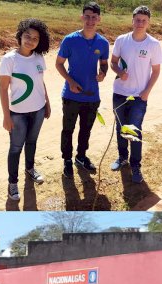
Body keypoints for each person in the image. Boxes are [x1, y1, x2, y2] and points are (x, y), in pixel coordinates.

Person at [0, 18, 51, 202]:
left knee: (32, 142)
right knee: (15, 148)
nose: (30, 41)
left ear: (40, 41)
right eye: (27, 36)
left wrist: (47, 103)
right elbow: (3, 89)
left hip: (37, 110)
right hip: (18, 113)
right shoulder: (9, 59)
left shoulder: (38, 58)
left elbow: (40, 81)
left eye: (35, 38)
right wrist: (6, 116)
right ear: (20, 36)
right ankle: (12, 183)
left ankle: (30, 169)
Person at [56, 2, 109, 178]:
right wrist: (70, 81)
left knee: (85, 130)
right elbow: (59, 64)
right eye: (87, 16)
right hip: (71, 95)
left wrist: (103, 73)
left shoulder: (102, 43)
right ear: (82, 17)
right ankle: (67, 160)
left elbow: (104, 64)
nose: (90, 20)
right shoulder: (69, 40)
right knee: (68, 129)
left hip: (92, 96)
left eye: (94, 17)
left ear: (99, 19)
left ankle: (80, 156)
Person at [109, 5, 162, 183]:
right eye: (137, 20)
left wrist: (147, 92)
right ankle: (122, 158)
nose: (140, 23)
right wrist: (119, 71)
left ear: (148, 23)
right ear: (132, 20)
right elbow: (113, 62)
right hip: (119, 93)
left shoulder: (154, 44)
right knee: (121, 128)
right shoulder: (121, 40)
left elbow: (156, 71)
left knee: (135, 130)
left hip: (140, 96)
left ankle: (135, 165)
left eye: (143, 21)